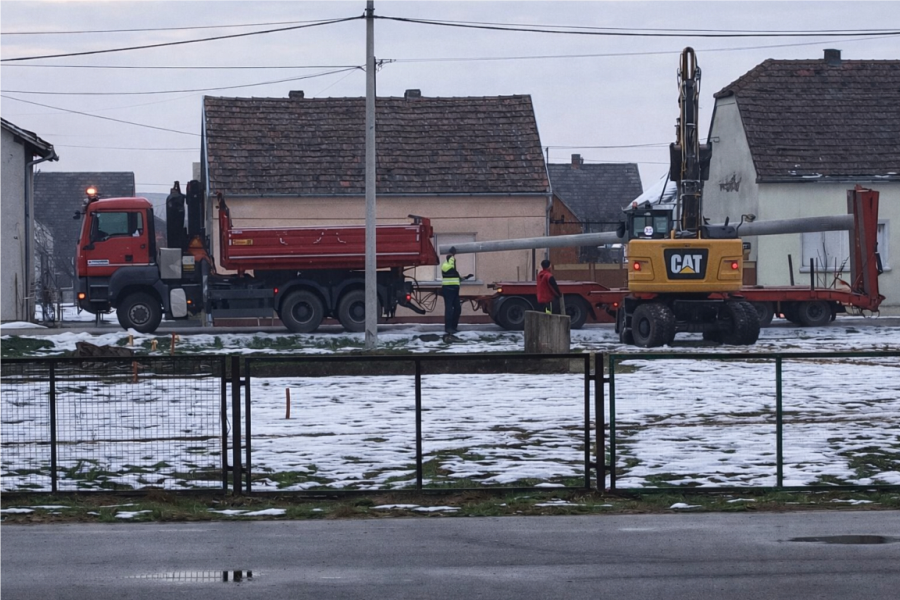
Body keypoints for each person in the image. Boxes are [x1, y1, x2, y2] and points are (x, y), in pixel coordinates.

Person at [441, 247, 472, 334]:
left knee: (457, 308)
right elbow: (450, 263)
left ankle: (453, 327)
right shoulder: (446, 266)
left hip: (454, 289)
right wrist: (452, 255)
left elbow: (457, 278)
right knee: (449, 309)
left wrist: (466, 277)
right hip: (448, 289)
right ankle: (448, 328)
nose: (455, 262)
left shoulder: (452, 270)